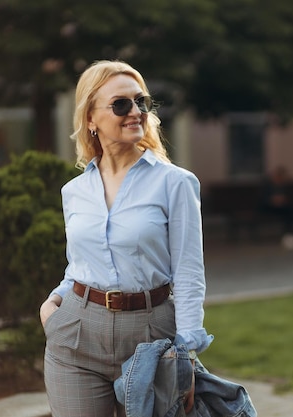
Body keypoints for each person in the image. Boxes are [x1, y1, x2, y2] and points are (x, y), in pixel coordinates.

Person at [39, 60, 212, 417]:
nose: (135, 112)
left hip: (152, 335)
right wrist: (52, 305)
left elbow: (189, 272)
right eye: (121, 104)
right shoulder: (74, 191)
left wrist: (186, 353)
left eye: (141, 102)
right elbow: (79, 265)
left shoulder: (175, 183)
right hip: (76, 333)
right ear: (90, 118)